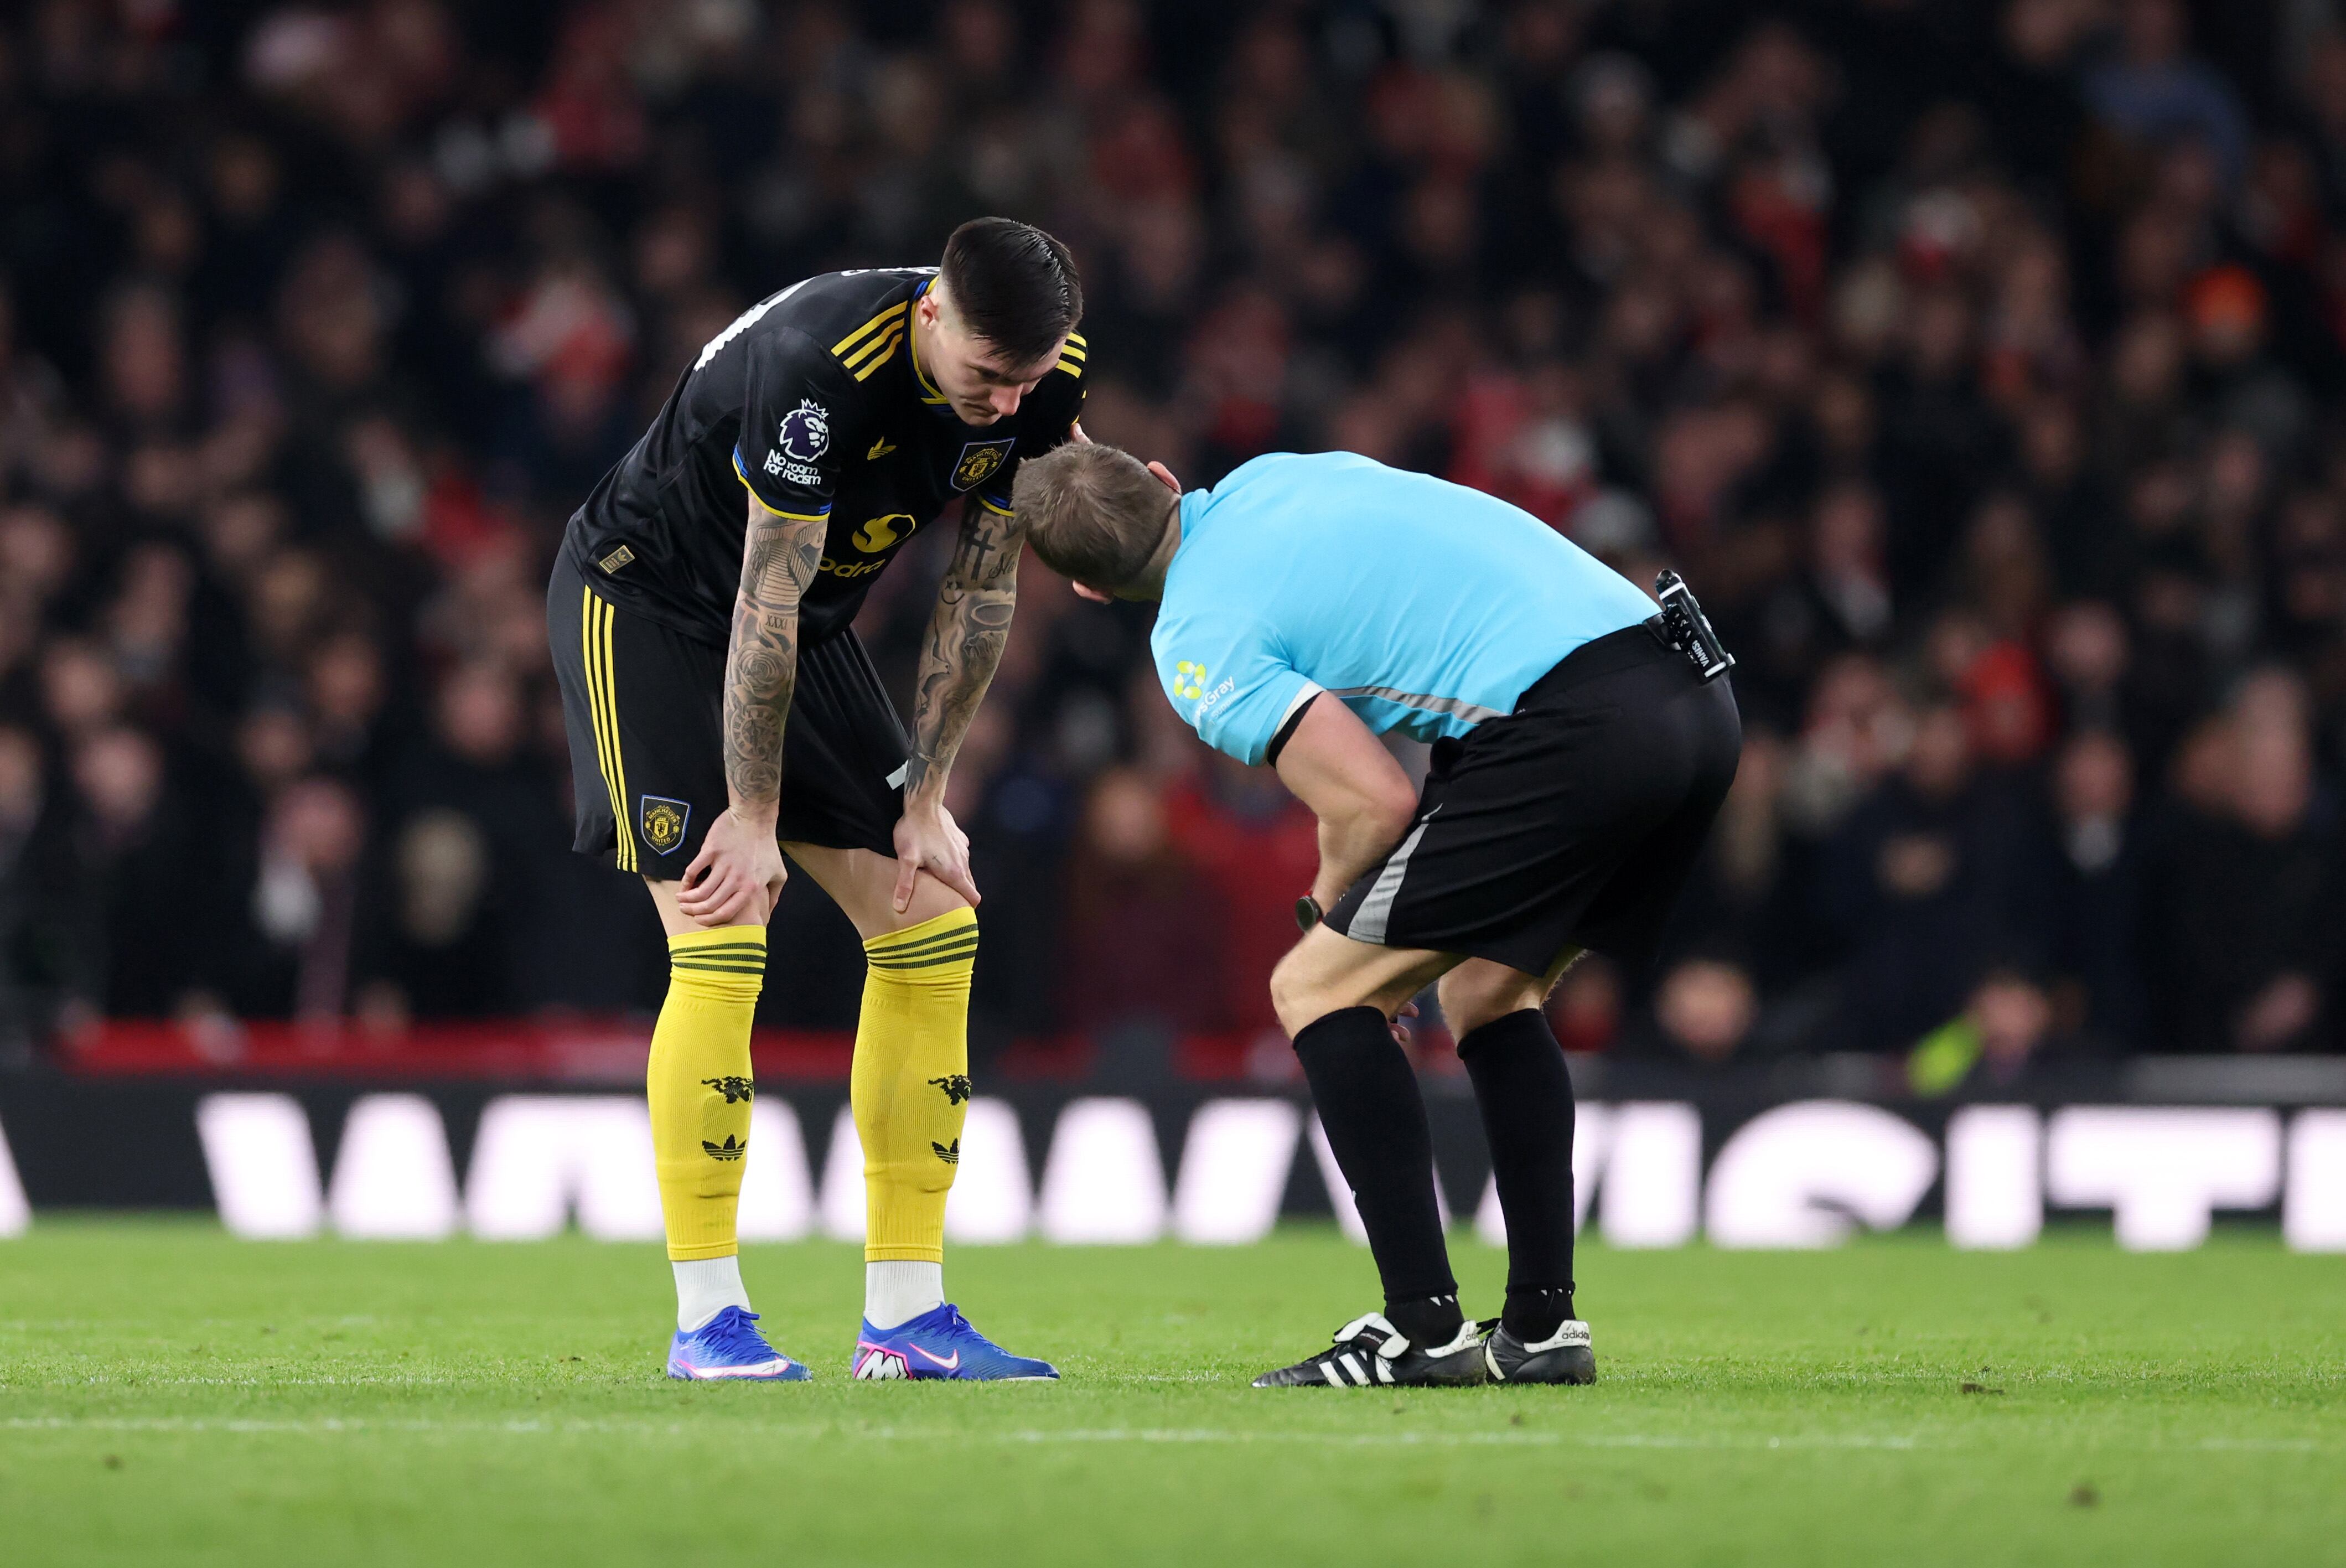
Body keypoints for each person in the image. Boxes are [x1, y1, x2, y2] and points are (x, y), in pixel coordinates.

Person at [1013, 442, 1742, 1388]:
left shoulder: (1194, 636)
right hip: (1691, 690)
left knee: (1313, 986)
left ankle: (1423, 1331)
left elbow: (1370, 804)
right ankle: (1541, 1326)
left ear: (1088, 589)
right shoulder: (1272, 474)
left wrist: (1332, 922)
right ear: (1160, 476)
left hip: (1571, 725)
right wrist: (1364, 929)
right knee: (1485, 989)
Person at [547, 218, 1086, 1381]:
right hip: (651, 604)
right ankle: (708, 1322)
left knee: (931, 908)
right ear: (931, 314)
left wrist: (926, 795)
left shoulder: (1045, 379)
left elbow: (982, 594)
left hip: (799, 627)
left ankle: (904, 1317)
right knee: (720, 915)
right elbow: (761, 603)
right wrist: (749, 812)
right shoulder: (816, 366)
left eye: (1027, 380)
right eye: (987, 378)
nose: (1004, 404)